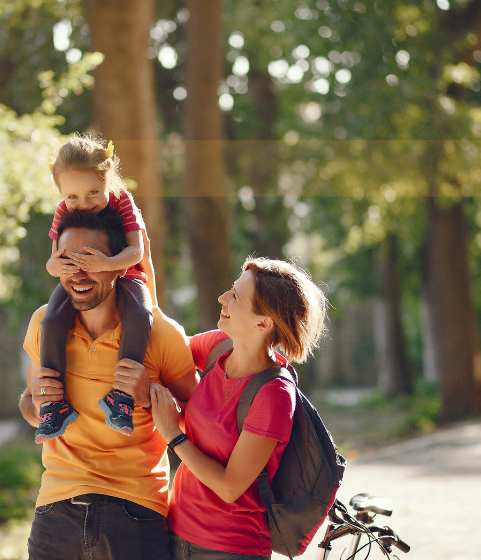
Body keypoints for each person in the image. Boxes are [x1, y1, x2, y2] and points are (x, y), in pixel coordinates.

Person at [19, 208, 197, 560]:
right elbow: (27, 405)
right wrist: (37, 403)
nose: (78, 273)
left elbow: (201, 418)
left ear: (119, 265)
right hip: (56, 509)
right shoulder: (44, 323)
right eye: (68, 260)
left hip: (135, 509)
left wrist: (151, 398)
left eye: (91, 261)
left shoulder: (161, 334)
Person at [150, 258, 328, 560]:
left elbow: (230, 487)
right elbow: (166, 349)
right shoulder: (218, 347)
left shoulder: (274, 394)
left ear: (262, 323)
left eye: (235, 296)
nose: (223, 299)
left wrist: (173, 433)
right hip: (174, 531)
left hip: (230, 548)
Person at [37, 135, 158, 443]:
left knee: (139, 314)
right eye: (73, 196)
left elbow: (138, 252)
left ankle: (121, 396)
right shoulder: (64, 211)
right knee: (49, 322)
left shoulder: (121, 201)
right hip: (77, 279)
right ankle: (54, 403)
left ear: (108, 180)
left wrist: (107, 264)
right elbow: (51, 262)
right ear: (62, 193)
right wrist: (60, 268)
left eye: (93, 192)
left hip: (123, 274)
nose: (84, 204)